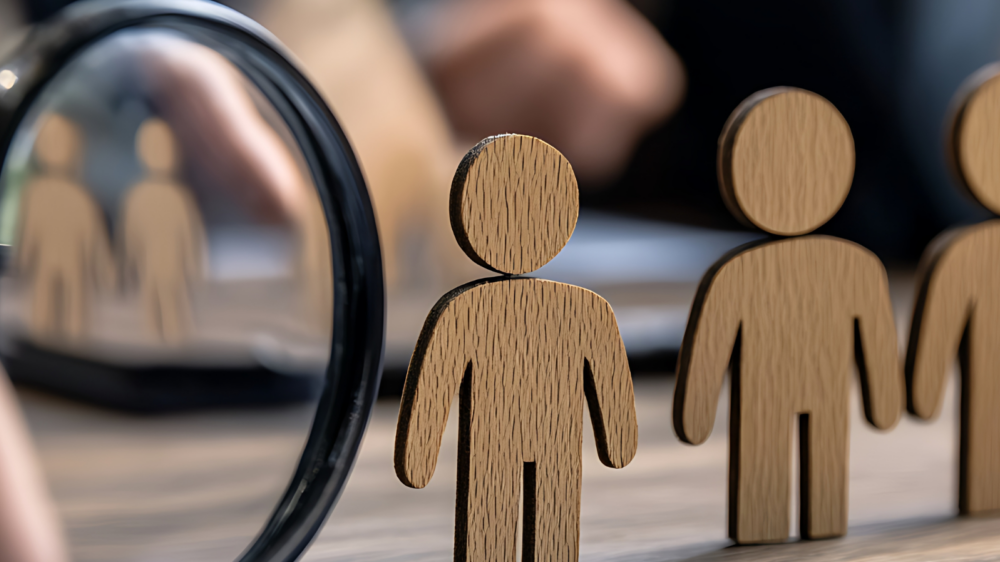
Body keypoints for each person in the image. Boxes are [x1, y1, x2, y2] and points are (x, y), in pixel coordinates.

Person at [673, 89, 902, 544]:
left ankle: (811, 518)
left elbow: (875, 339)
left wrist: (885, 399)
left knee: (822, 483)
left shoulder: (853, 267)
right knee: (766, 488)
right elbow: (712, 346)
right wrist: (886, 403)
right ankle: (772, 523)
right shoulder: (744, 274)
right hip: (766, 396)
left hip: (821, 389)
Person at [394, 134, 637, 560]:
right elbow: (435, 384)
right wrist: (616, 443)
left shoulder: (582, 310)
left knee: (542, 532)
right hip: (504, 444)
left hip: (541, 442)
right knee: (500, 531)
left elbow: (609, 378)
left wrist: (418, 458)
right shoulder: (584, 308)